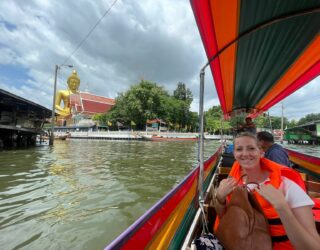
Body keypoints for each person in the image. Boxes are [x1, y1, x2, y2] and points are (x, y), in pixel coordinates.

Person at [214, 132, 320, 249]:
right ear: (234, 154)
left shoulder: (286, 186)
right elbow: (223, 215)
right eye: (239, 149)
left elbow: (314, 247)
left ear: (261, 152)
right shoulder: (233, 179)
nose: (245, 153)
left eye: (251, 148)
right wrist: (219, 198)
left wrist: (282, 207)